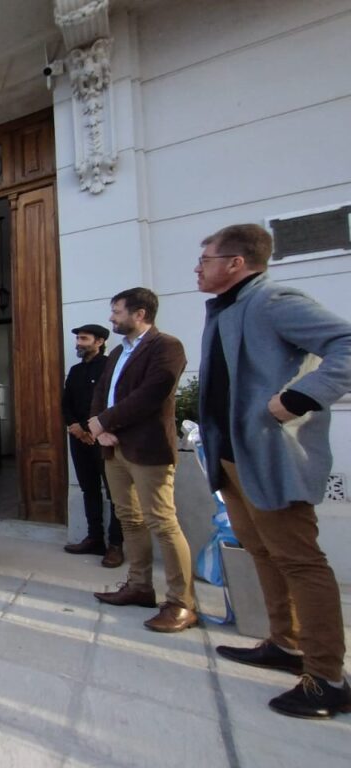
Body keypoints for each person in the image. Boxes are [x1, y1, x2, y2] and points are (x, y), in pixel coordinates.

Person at [195, 223, 351, 719]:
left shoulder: (274, 300)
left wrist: (297, 398)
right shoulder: (228, 307)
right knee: (261, 551)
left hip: (270, 456)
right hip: (232, 456)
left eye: (206, 259)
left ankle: (328, 676)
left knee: (300, 561)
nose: (199, 268)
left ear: (236, 263)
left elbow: (347, 344)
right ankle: (285, 643)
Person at [87, 287, 196, 632]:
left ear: (140, 314)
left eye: (117, 311)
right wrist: (98, 428)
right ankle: (139, 586)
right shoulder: (118, 351)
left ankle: (182, 603)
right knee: (129, 519)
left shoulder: (167, 347)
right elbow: (101, 392)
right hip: (113, 448)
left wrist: (106, 421)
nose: (111, 318)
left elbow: (152, 394)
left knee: (162, 522)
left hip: (147, 449)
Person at [62, 324, 124, 567]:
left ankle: (116, 546)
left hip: (103, 437)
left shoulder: (111, 366)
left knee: (114, 492)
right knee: (89, 489)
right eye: (78, 338)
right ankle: (94, 538)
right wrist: (75, 426)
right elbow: (66, 402)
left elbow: (111, 401)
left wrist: (94, 429)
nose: (78, 342)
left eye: (84, 338)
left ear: (99, 342)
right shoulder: (75, 370)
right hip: (79, 438)